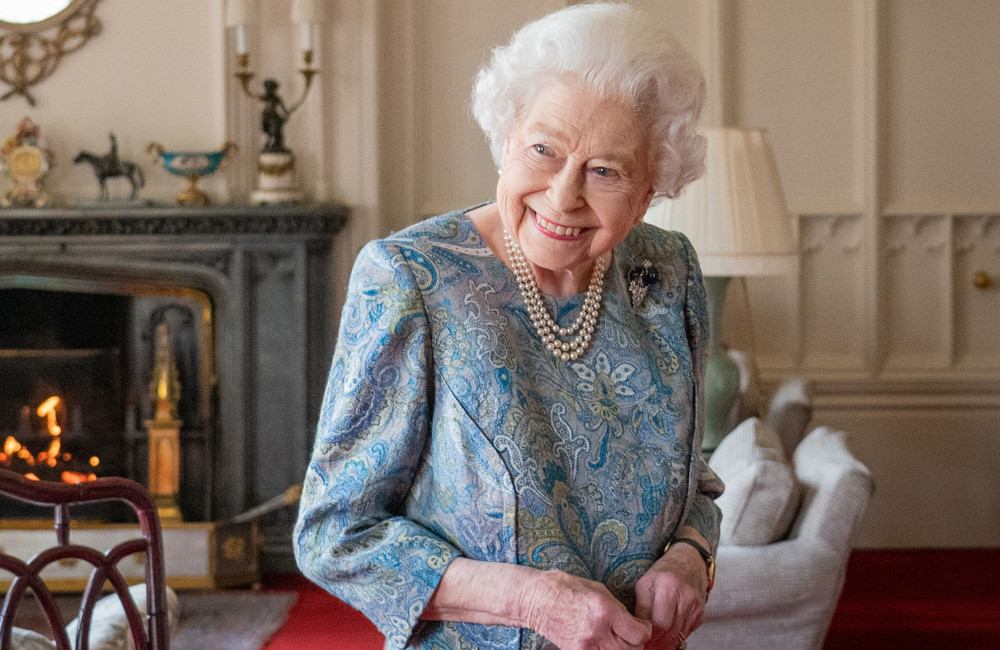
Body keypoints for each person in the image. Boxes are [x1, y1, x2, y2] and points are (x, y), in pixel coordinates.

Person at [294, 4, 723, 649]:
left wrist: (689, 558)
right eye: (543, 151)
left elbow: (696, 481)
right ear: (505, 140)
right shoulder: (410, 278)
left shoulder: (669, 272)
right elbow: (335, 534)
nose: (563, 196)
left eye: (605, 170)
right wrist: (532, 601)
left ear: (650, 188)